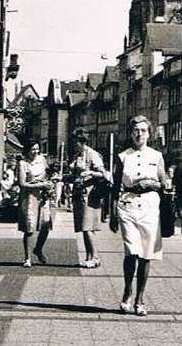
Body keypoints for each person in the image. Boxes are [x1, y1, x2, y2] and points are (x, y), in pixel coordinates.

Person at [110, 115, 171, 316]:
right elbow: (115, 186)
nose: (139, 134)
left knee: (146, 254)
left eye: (143, 130)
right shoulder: (123, 156)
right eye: (136, 130)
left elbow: (164, 183)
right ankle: (127, 292)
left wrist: (152, 184)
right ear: (131, 133)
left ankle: (140, 298)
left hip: (150, 207)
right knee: (131, 251)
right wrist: (112, 213)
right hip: (127, 206)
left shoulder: (156, 156)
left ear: (149, 134)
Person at [67, 128, 108, 268]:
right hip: (79, 193)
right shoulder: (79, 154)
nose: (73, 144)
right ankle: (88, 256)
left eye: (75, 142)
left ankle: (95, 257)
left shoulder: (92, 155)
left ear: (81, 141)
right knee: (84, 228)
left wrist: (89, 172)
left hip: (89, 196)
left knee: (88, 228)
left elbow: (103, 174)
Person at [17, 140, 53, 267]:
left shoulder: (42, 159)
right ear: (27, 150)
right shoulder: (22, 163)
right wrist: (40, 184)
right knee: (29, 227)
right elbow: (22, 184)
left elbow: (48, 173)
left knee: (45, 224)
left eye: (37, 149)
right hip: (29, 196)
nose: (35, 152)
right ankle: (27, 258)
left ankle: (38, 249)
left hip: (43, 196)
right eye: (33, 149)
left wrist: (50, 181)